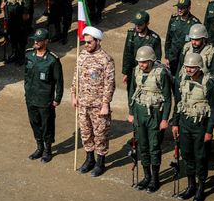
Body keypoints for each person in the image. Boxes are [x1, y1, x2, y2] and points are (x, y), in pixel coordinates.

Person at [172, 53, 214, 201]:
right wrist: (175, 123)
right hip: (185, 123)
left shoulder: (208, 84)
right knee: (186, 154)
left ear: (199, 67)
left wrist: (209, 131)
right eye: (187, 66)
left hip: (200, 126)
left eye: (192, 67)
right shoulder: (183, 81)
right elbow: (179, 104)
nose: (189, 69)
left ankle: (201, 187)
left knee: (200, 157)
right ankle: (191, 185)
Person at [71, 26, 115, 177]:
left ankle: (100, 162)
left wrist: (105, 104)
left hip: (98, 105)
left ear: (97, 41)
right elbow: (76, 77)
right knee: (85, 132)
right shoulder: (82, 55)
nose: (86, 45)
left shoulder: (106, 59)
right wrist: (73, 95)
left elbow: (110, 84)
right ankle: (89, 159)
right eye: (85, 42)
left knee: (100, 134)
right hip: (83, 103)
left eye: (90, 42)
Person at [128, 46, 172, 192]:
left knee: (154, 147)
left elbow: (167, 98)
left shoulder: (161, 74)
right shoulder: (136, 71)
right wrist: (131, 112)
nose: (142, 65)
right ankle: (146, 176)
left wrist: (165, 119)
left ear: (152, 60)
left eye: (145, 62)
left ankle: (155, 178)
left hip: (154, 114)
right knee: (143, 146)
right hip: (139, 113)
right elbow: (131, 92)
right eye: (140, 62)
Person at [25, 28, 64, 163]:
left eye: (39, 40)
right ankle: (39, 147)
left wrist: (57, 98)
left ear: (46, 41)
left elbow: (59, 81)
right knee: (34, 123)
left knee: (47, 125)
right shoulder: (29, 55)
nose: (36, 42)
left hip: (45, 99)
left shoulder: (52, 60)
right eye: (35, 39)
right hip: (31, 98)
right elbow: (26, 75)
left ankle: (48, 149)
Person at [122, 11, 161, 98]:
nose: (137, 26)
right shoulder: (131, 34)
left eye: (140, 24)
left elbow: (157, 59)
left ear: (147, 24)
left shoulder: (154, 38)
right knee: (131, 93)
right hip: (132, 71)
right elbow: (127, 53)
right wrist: (126, 72)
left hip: (146, 71)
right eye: (136, 24)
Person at [164, 0, 200, 76]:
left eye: (182, 8)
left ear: (189, 8)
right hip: (173, 56)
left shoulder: (195, 23)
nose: (179, 10)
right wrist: (167, 56)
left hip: (185, 57)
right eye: (178, 8)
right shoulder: (174, 19)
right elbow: (168, 38)